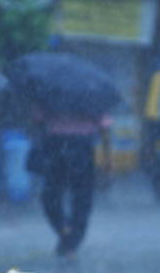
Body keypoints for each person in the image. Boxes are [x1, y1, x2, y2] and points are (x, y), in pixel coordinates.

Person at [27, 103, 110, 259]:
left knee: (52, 195)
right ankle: (71, 240)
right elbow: (104, 126)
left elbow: (37, 120)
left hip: (56, 147)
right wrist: (106, 155)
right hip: (81, 148)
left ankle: (65, 231)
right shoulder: (89, 92)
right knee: (81, 198)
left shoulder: (51, 92)